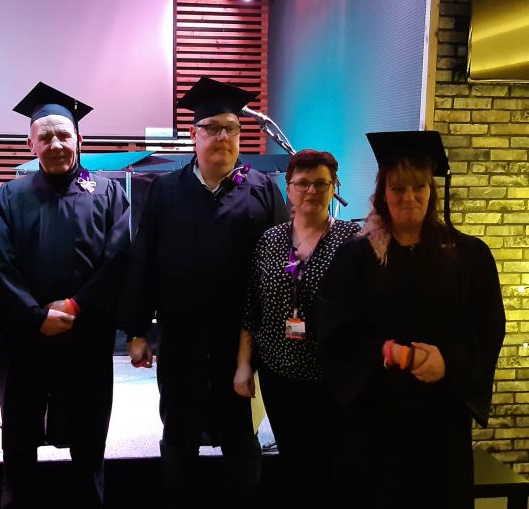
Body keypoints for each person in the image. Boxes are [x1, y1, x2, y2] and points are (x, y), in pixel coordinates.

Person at [120, 77, 288, 508]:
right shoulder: (166, 191)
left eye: (230, 128)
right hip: (182, 341)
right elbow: (143, 263)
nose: (222, 137)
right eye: (211, 127)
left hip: (241, 344)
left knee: (240, 436)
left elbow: (284, 264)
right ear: (194, 135)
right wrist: (137, 331)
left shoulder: (262, 189)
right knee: (179, 433)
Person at [316, 131, 505, 509]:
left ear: (431, 191)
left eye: (418, 187)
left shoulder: (468, 256)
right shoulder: (357, 256)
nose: (409, 198)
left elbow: (487, 329)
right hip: (374, 416)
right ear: (382, 192)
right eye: (397, 188)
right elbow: (333, 326)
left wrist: (447, 361)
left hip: (441, 418)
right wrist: (384, 351)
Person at [0, 82, 130, 509]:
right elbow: (1, 262)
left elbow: (118, 258)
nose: (55, 144)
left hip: (86, 332)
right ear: (30, 142)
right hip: (26, 336)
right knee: (19, 434)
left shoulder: (107, 192)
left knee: (88, 434)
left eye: (63, 134)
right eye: (45, 136)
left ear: (79, 139)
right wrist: (35, 316)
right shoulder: (10, 195)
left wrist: (74, 305)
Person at [233, 149, 359, 508]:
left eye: (321, 183)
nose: (311, 191)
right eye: (302, 183)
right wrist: (244, 365)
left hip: (331, 377)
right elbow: (251, 306)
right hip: (279, 374)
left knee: (330, 463)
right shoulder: (270, 240)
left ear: (334, 187)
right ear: (288, 188)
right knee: (293, 458)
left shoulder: (353, 240)